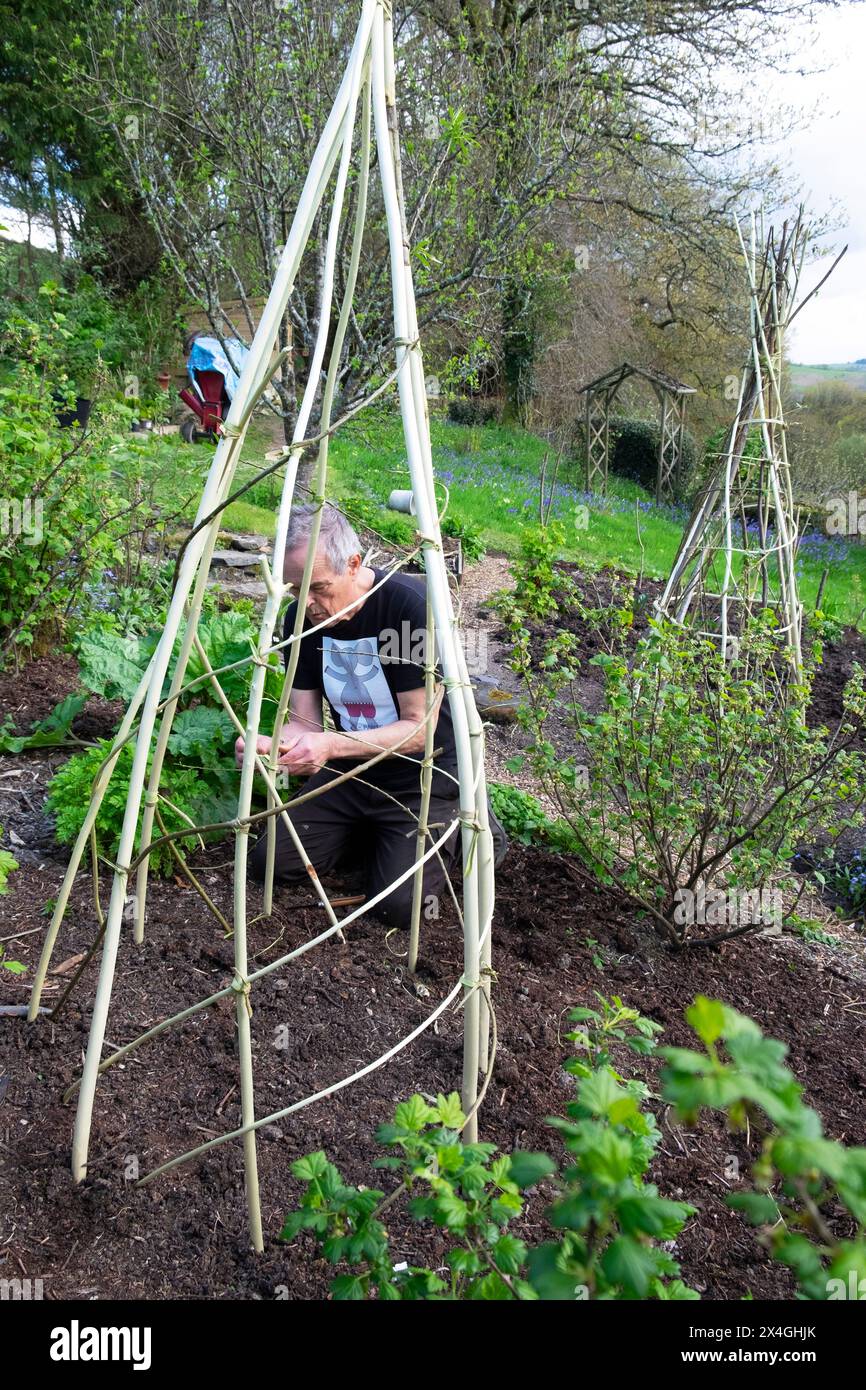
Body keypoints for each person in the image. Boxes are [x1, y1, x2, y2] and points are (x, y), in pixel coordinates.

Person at [239, 502, 506, 927]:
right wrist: (277, 746)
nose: (308, 603)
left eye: (319, 587)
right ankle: (376, 837)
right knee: (270, 864)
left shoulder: (407, 608)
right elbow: (304, 723)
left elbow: (419, 731)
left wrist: (328, 744)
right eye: (294, 589)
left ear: (354, 564)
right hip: (352, 771)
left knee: (400, 909)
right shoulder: (298, 622)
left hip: (423, 779)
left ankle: (462, 825)